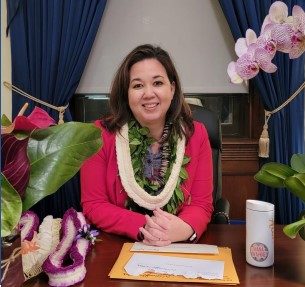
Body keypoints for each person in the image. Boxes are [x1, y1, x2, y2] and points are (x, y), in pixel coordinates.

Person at [80, 44, 213, 246]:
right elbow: (94, 204)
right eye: (138, 85)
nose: (148, 93)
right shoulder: (100, 135)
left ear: (172, 87)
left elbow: (202, 204)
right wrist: (145, 227)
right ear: (127, 93)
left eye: (158, 83)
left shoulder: (196, 134)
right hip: (118, 248)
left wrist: (185, 228)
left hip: (178, 247)